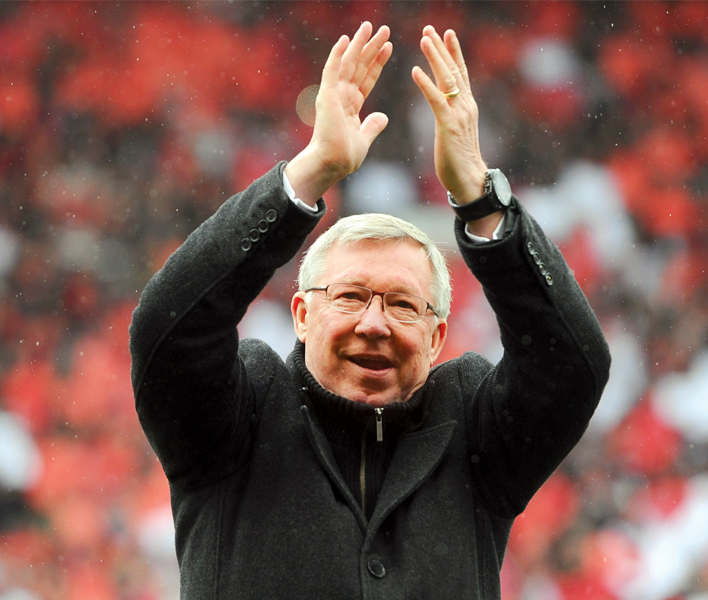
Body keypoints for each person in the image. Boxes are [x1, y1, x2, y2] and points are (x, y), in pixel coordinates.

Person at [130, 22, 611, 599]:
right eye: (352, 296)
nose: (374, 322)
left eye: (403, 304)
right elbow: (168, 330)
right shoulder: (240, 417)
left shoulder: (471, 429)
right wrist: (310, 174)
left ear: (436, 338)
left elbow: (573, 369)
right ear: (303, 315)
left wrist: (482, 202)